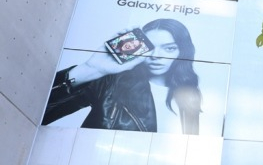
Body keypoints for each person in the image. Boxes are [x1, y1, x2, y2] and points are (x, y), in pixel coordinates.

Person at [43, 19, 201, 134]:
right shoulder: (112, 81)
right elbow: (39, 115)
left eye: (169, 48)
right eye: (150, 48)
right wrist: (90, 69)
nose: (156, 56)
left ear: (182, 52)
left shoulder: (190, 94)